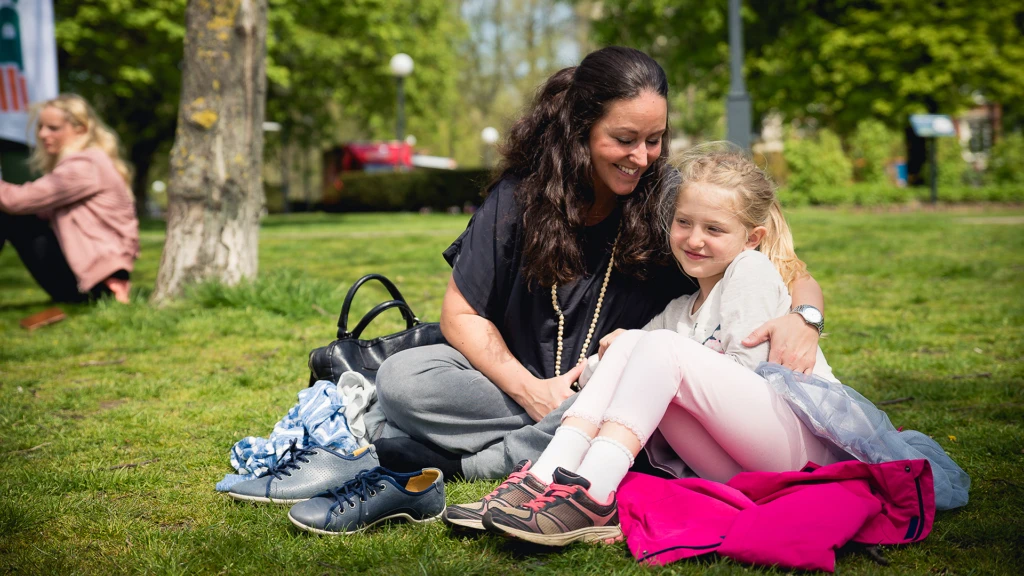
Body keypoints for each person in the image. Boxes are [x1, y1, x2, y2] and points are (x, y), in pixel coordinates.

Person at [370, 47, 826, 481]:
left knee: (636, 405)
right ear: (580, 128)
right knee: (403, 380)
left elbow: (783, 265)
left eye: (654, 140)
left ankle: (480, 463)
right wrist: (531, 390)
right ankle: (568, 439)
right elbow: (461, 313)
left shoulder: (670, 200)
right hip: (512, 385)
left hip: (620, 391)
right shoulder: (518, 197)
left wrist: (805, 318)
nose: (642, 158)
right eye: (624, 140)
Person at [442, 144, 842, 544]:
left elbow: (746, 376)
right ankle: (542, 478)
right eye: (684, 222)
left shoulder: (750, 271)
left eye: (714, 229)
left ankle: (593, 497)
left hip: (801, 452)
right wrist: (593, 369)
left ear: (752, 238)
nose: (695, 239)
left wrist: (649, 356)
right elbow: (626, 364)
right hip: (740, 466)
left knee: (654, 346)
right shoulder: (681, 309)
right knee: (634, 343)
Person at [0, 93, 138, 304]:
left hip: (99, 286)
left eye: (53, 128)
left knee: (8, 215)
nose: (43, 134)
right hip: (93, 282)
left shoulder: (85, 166)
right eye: (40, 127)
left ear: (80, 129)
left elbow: (16, 201)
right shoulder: (90, 162)